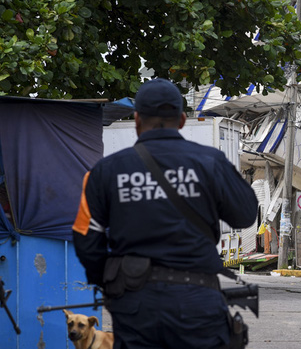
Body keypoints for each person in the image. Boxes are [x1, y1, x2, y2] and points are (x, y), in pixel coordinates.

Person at [72, 78, 258, 348]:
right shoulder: (210, 162)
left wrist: (114, 283)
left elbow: (85, 238)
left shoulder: (104, 172)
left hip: (135, 305)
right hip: (198, 300)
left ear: (137, 121)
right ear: (182, 120)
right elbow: (245, 215)